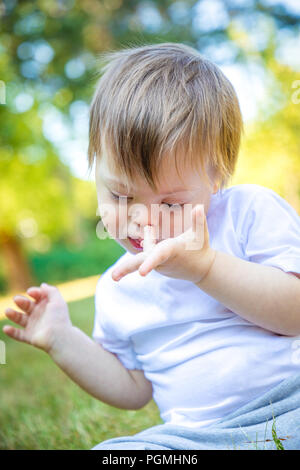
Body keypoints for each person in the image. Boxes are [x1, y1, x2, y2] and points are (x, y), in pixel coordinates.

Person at [3, 43, 300, 450]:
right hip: (198, 439)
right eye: (122, 198)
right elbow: (133, 388)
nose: (144, 220)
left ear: (217, 176)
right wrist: (62, 339)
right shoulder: (118, 287)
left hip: (290, 403)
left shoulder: (248, 212)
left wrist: (206, 268)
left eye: (172, 203)